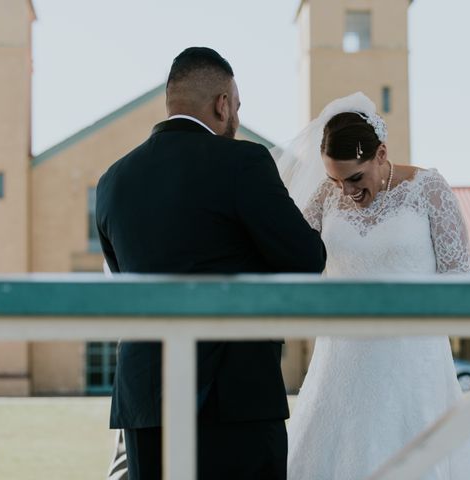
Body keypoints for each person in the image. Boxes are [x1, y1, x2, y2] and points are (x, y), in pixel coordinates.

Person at [96, 47, 326, 480]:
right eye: (236, 106)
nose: (236, 117)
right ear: (223, 104)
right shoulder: (244, 161)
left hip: (146, 399)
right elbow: (306, 259)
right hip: (233, 397)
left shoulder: (112, 181)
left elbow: (122, 279)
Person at [276, 92, 470, 479]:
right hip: (341, 360)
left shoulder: (429, 189)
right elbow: (292, 256)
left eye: (355, 177)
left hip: (412, 362)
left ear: (382, 153)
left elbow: (459, 277)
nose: (347, 192)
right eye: (335, 181)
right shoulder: (325, 198)